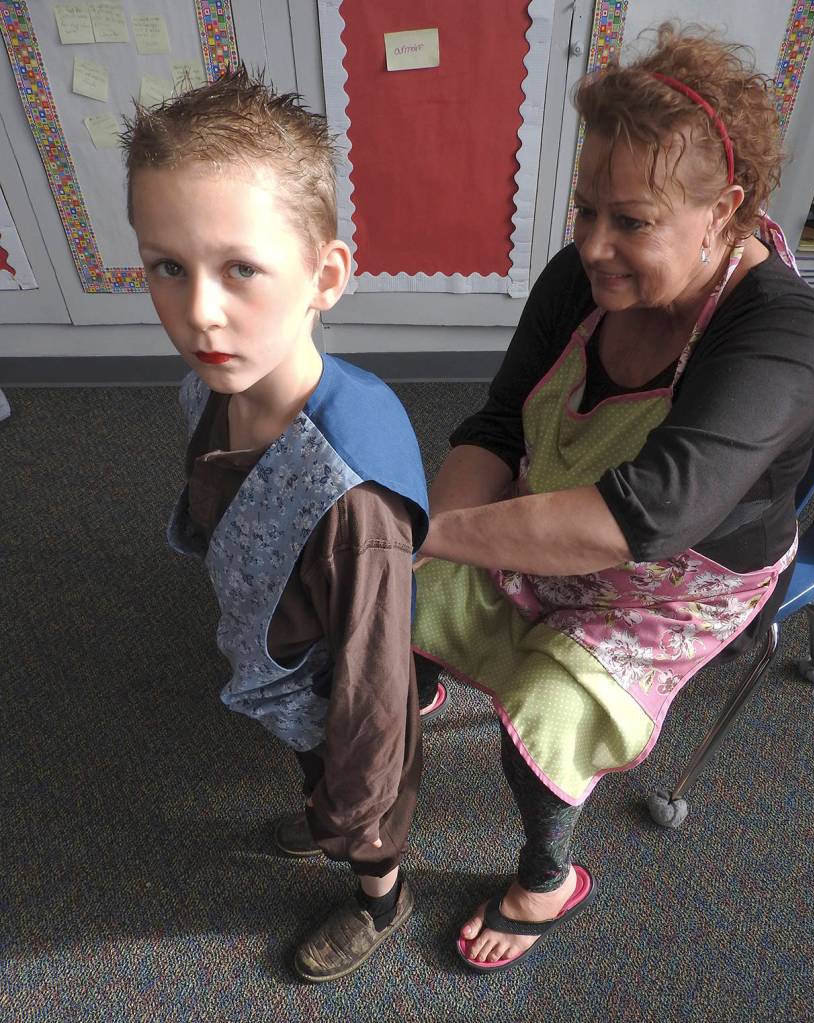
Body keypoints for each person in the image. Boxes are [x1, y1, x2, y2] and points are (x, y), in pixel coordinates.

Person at [411, 24, 814, 971]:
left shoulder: (780, 339)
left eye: (632, 221)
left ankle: (547, 878)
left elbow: (635, 521)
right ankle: (430, 664)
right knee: (411, 597)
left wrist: (422, 529)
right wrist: (426, 548)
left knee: (548, 710)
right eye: (583, 208)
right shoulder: (583, 278)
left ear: (722, 211)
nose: (592, 247)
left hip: (679, 576)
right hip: (553, 510)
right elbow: (496, 428)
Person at [121, 67, 430, 983]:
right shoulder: (214, 383)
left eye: (239, 269)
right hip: (280, 660)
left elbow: (375, 693)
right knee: (310, 759)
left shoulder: (354, 502)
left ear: (325, 275)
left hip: (336, 692)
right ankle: (324, 801)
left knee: (358, 813)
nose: (198, 311)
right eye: (167, 267)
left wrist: (355, 803)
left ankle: (382, 893)